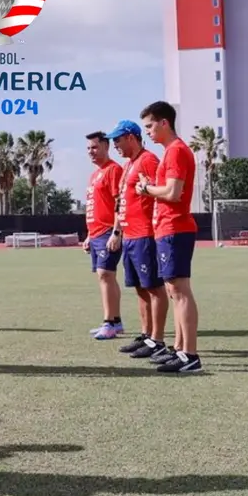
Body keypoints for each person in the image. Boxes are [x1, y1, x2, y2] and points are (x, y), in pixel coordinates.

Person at [136, 101, 202, 373]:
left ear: (164, 123)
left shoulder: (176, 151)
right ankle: (180, 349)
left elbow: (173, 192)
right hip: (168, 228)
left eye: (150, 126)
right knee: (175, 291)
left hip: (175, 227)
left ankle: (190, 355)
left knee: (180, 291)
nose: (148, 132)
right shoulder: (171, 151)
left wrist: (146, 188)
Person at [106, 120, 170, 360]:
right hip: (130, 236)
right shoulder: (128, 165)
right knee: (141, 289)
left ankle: (158, 340)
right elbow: (121, 202)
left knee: (154, 288)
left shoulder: (148, 160)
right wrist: (117, 231)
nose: (115, 146)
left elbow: (160, 191)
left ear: (131, 137)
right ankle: (146, 335)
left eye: (117, 140)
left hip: (145, 235)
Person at [83, 131, 124, 341]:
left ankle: (109, 323)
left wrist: (117, 232)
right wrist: (89, 235)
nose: (91, 151)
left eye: (95, 147)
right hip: (96, 233)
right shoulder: (94, 175)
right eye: (88, 148)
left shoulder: (114, 170)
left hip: (108, 231)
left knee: (105, 274)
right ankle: (115, 322)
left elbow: (120, 203)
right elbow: (94, 207)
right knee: (107, 276)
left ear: (106, 147)